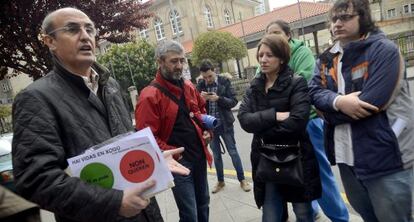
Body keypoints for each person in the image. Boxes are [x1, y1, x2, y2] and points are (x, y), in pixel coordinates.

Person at [12, 7, 189, 222]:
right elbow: (36, 179)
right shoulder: (35, 98)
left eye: (89, 29)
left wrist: (153, 159)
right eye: (72, 29)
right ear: (50, 42)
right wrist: (113, 202)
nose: (85, 36)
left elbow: (122, 141)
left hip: (144, 213)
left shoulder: (110, 85)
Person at [309, 0, 414, 221]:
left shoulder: (384, 50)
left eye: (345, 17)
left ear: (363, 18)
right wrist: (339, 102)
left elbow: (371, 103)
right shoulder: (327, 58)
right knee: (368, 216)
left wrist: (327, 110)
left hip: (385, 158)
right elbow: (312, 93)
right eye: (334, 19)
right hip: (347, 158)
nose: (337, 23)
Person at [258, 20, 349, 222]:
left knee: (319, 172)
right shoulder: (265, 59)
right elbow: (257, 89)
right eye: (268, 33)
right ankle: (312, 209)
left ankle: (339, 217)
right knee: (295, 173)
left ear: (288, 35)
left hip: (308, 121)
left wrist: (273, 104)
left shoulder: (302, 53)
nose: (272, 36)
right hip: (280, 127)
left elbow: (303, 86)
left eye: (276, 32)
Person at [238, 34, 321, 222]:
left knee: (302, 213)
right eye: (260, 55)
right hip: (265, 160)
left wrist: (261, 129)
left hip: (296, 158)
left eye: (269, 55)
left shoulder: (296, 82)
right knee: (270, 215)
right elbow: (244, 120)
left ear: (282, 58)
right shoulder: (254, 86)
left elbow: (298, 122)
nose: (263, 60)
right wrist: (274, 115)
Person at [135, 40, 212, 222]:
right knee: (190, 215)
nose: (179, 66)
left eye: (181, 61)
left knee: (204, 204)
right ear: (160, 62)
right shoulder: (149, 96)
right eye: (173, 61)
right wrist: (175, 155)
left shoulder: (188, 86)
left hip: (198, 155)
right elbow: (146, 138)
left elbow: (201, 110)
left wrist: (207, 130)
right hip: (179, 164)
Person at [196, 59, 251, 194]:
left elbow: (233, 101)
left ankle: (242, 179)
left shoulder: (224, 81)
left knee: (233, 152)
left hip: (225, 123)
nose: (208, 79)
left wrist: (218, 99)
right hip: (210, 126)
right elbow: (196, 105)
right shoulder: (201, 84)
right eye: (205, 77)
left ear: (214, 71)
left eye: (209, 76)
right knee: (216, 155)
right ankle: (220, 181)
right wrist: (200, 98)